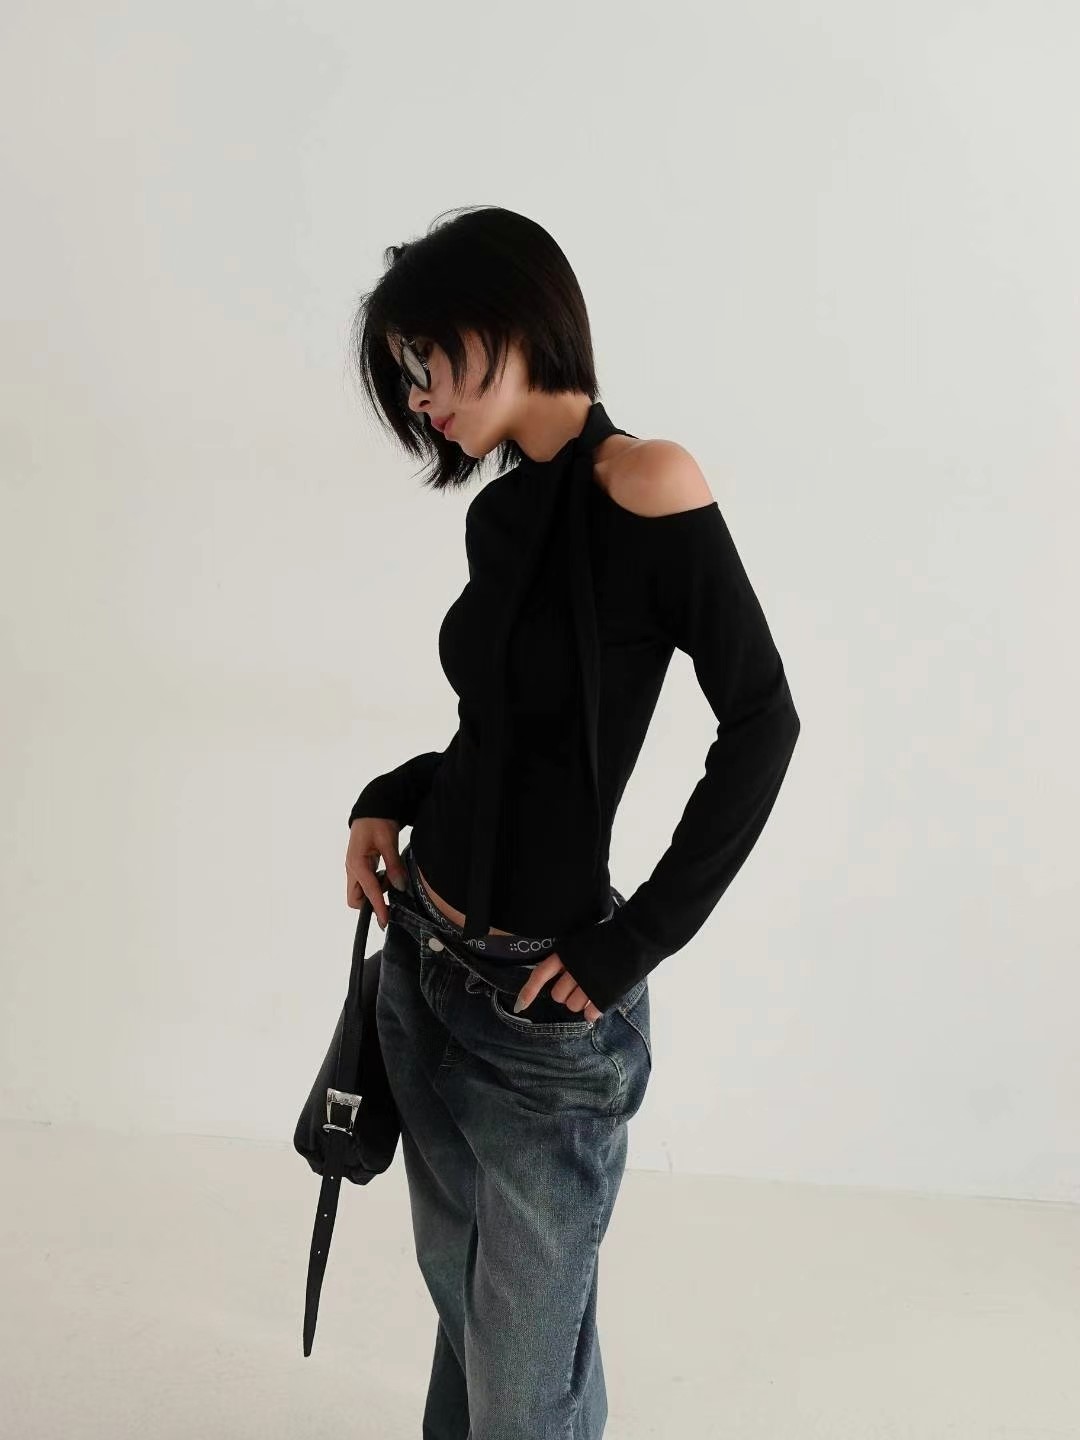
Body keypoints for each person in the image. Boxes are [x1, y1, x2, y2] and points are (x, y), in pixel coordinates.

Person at [342, 205, 801, 1440]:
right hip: (421, 967)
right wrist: (391, 796)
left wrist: (631, 942)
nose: (420, 398)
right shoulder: (501, 516)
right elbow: (502, 739)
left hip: (541, 1011)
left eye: (426, 362)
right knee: (471, 1324)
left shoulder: (648, 483)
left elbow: (764, 722)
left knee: (525, 1383)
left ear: (506, 322)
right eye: (404, 376)